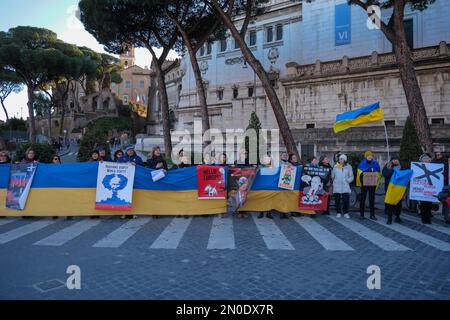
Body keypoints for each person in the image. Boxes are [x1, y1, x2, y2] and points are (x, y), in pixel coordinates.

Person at [358, 151, 381, 220]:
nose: (370, 156)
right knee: (363, 199)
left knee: (372, 199)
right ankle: (361, 214)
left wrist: (373, 171)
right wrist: (367, 171)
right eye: (368, 155)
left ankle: (372, 214)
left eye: (371, 155)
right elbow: (359, 173)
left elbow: (378, 172)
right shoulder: (362, 163)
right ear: (366, 156)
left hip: (372, 184)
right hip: (364, 184)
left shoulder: (375, 163)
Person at [382, 157, 403, 224]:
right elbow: (385, 174)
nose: (395, 161)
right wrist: (394, 170)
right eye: (394, 159)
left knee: (399, 203)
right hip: (390, 187)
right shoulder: (387, 165)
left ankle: (397, 217)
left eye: (397, 159)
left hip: (399, 187)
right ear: (391, 160)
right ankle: (389, 219)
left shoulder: (401, 166)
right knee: (390, 203)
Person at [332, 154, 354, 218]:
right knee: (337, 200)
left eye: (342, 159)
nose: (340, 160)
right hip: (337, 185)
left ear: (345, 160)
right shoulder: (336, 166)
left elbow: (351, 176)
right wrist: (334, 181)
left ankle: (346, 212)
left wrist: (348, 181)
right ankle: (338, 212)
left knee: (346, 200)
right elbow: (333, 175)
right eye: (340, 159)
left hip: (345, 186)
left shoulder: (349, 167)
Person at [418, 153, 434, 224]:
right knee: (423, 204)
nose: (427, 160)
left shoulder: (433, 166)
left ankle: (428, 218)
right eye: (425, 159)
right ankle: (424, 218)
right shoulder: (418, 166)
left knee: (429, 204)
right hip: (422, 188)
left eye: (428, 159)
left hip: (430, 189)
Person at [258, 155, 274, 219]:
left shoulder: (272, 167)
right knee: (261, 199)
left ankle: (268, 213)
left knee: (269, 199)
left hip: (269, 186)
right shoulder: (259, 167)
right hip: (261, 185)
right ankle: (261, 212)